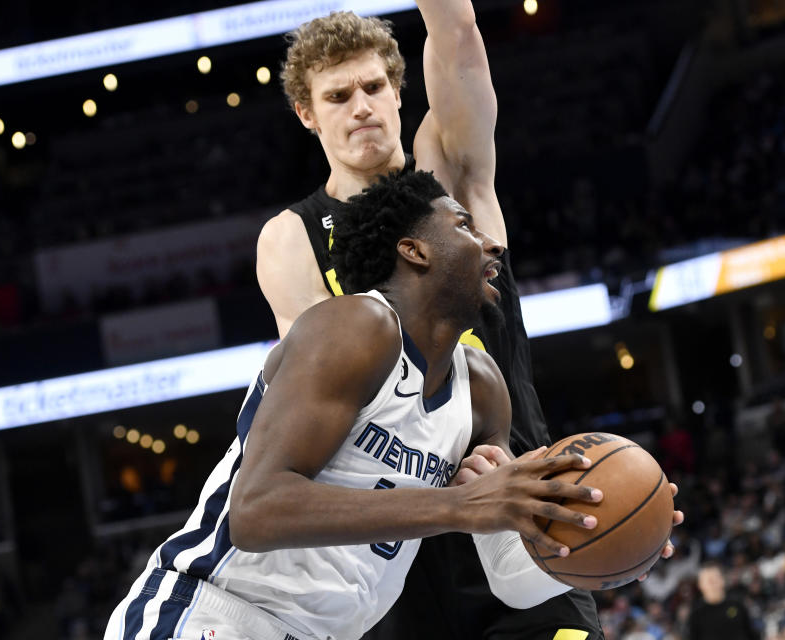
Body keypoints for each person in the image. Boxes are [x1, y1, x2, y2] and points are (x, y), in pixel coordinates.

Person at [104, 169, 604, 640]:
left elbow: (510, 580)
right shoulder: (355, 326)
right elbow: (255, 512)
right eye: (465, 226)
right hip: (217, 613)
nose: (493, 244)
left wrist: (604, 542)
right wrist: (456, 504)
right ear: (415, 250)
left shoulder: (484, 391)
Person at [255, 4, 617, 637]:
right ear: (307, 115)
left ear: (398, 92)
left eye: (373, 87)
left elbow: (457, 32)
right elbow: (325, 415)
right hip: (397, 550)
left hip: (518, 500)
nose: (361, 106)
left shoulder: (447, 174)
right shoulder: (293, 239)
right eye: (338, 96)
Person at [686, 562, 759, 640]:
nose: (712, 584)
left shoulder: (737, 604)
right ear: (700, 585)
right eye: (708, 580)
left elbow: (752, 633)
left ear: (722, 580)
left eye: (714, 579)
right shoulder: (696, 613)